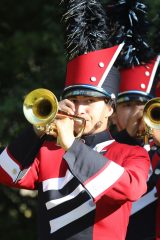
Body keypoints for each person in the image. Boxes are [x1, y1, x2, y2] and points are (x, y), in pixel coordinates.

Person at [0, 0, 150, 239]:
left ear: (110, 108)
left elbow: (132, 187)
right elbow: (5, 172)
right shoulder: (47, 151)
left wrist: (71, 145)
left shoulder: (131, 154)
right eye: (75, 99)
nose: (79, 109)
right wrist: (38, 131)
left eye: (90, 101)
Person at [111, 56, 160, 240]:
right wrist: (127, 138)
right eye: (128, 105)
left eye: (144, 105)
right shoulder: (101, 149)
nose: (138, 112)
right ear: (113, 115)